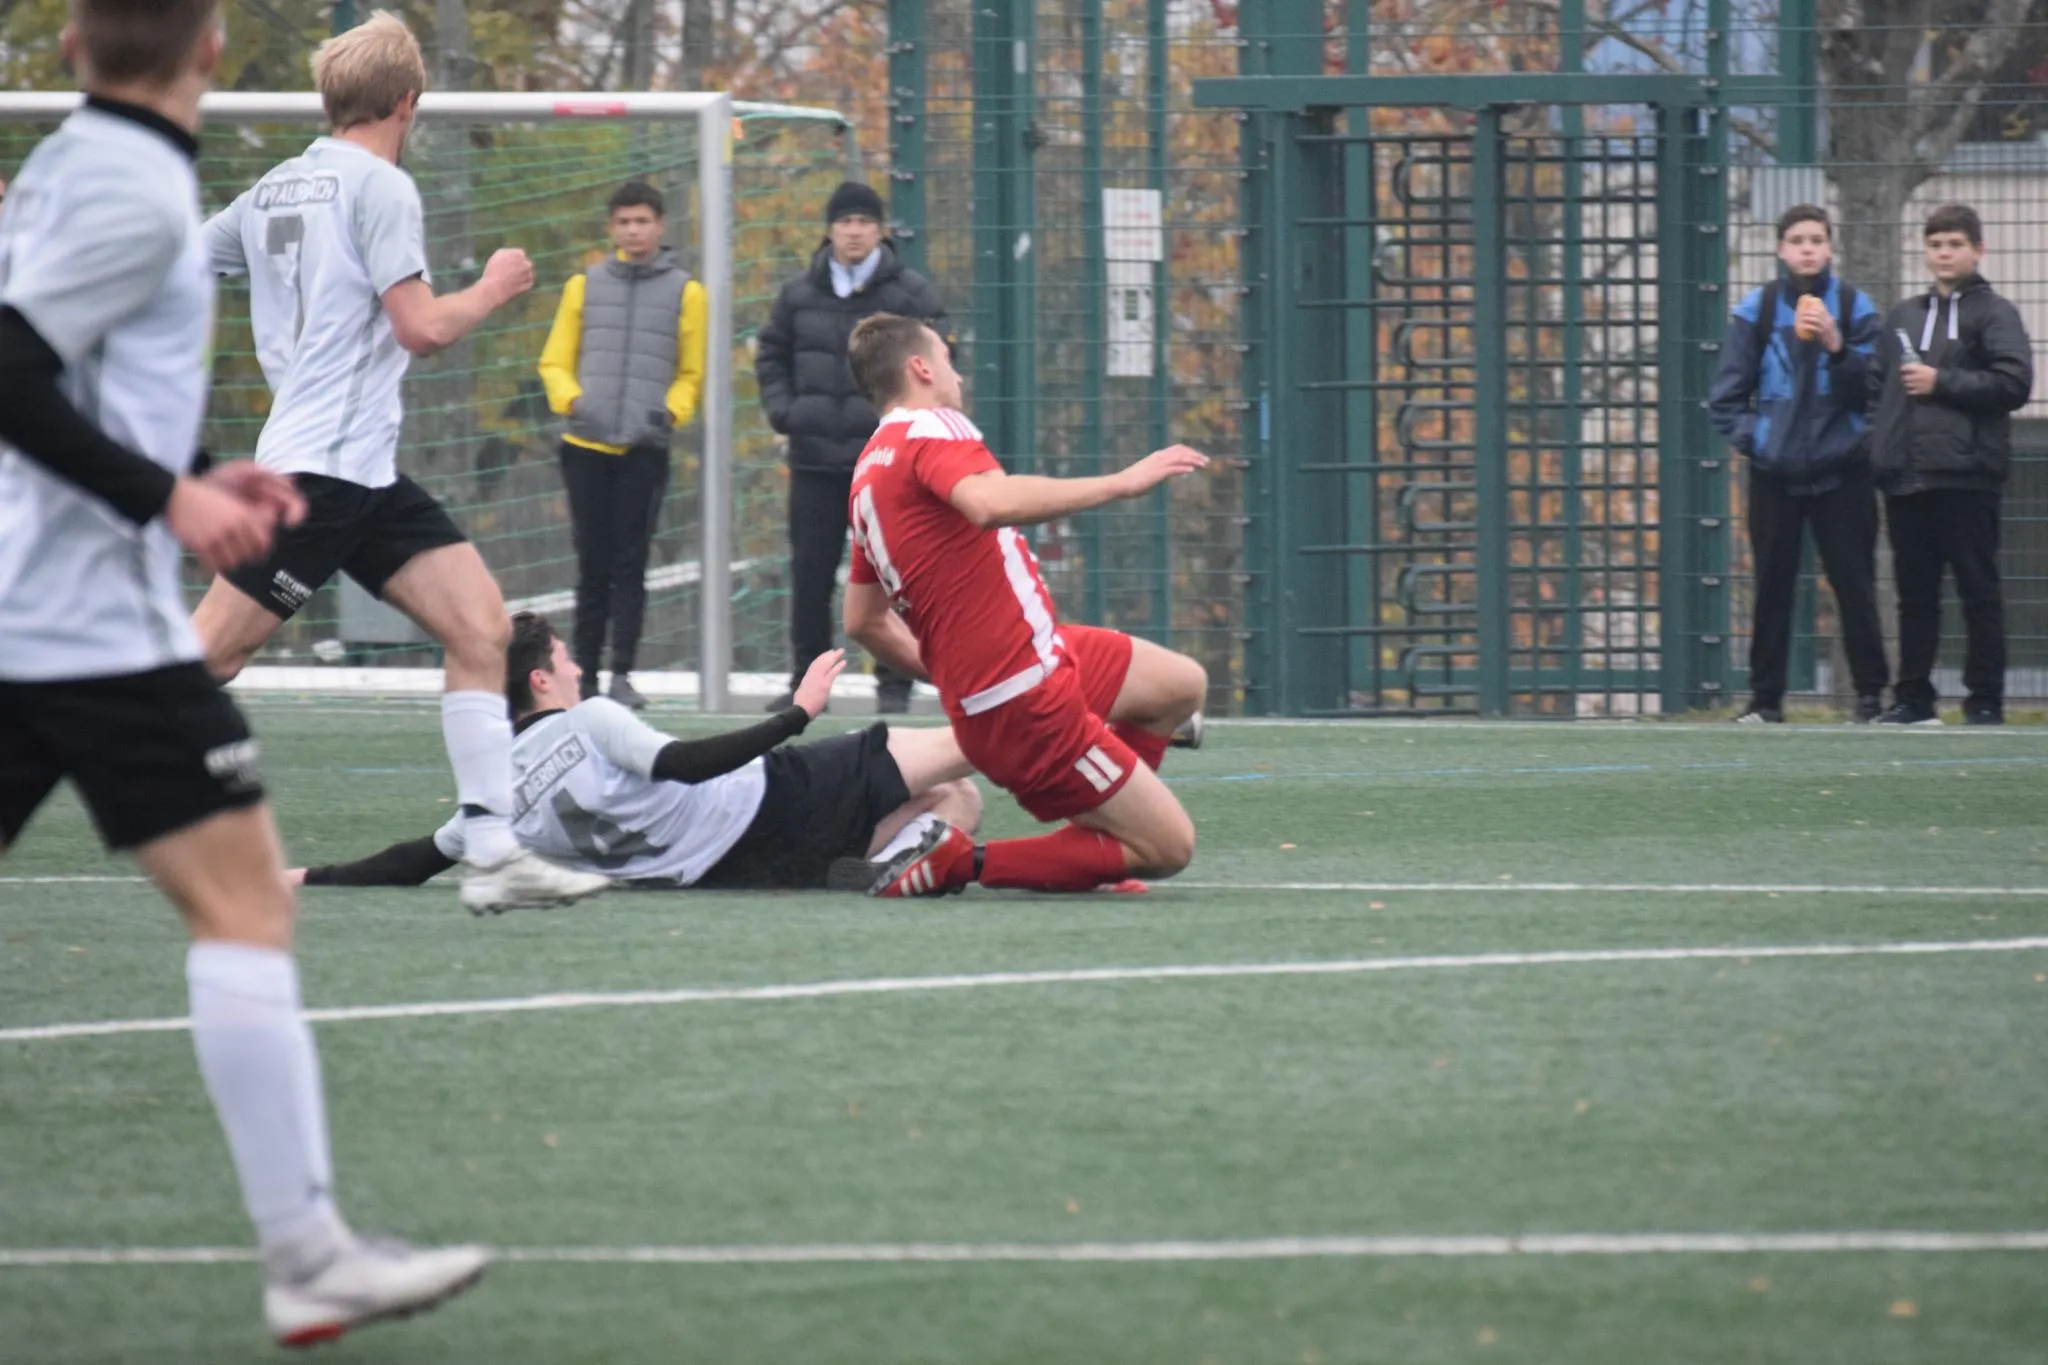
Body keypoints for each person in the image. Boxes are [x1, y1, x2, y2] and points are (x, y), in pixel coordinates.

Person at [0, 0, 486, 1344]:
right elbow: (12, 371)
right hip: (79, 623)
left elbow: (71, 379)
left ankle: (308, 1250)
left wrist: (199, 469)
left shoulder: (78, 173)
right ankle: (307, 1252)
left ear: (70, 50)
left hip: (54, 610)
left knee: (244, 896)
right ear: (213, 50)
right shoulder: (130, 184)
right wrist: (172, 497)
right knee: (245, 902)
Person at [190, 10, 606, 913]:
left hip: (364, 470)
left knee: (482, 628)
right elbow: (421, 328)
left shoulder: (275, 187)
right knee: (204, 660)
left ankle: (493, 852)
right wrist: (493, 287)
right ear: (409, 101)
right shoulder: (381, 187)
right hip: (319, 471)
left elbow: (177, 260)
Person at [837, 313, 1210, 898]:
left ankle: (1094, 849)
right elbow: (988, 502)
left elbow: (862, 620)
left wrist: (956, 674)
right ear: (920, 368)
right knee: (1169, 848)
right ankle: (958, 861)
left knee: (1180, 685)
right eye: (948, 360)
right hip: (1026, 699)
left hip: (1026, 668)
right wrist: (1121, 483)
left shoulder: (867, 473)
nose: (958, 375)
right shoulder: (931, 426)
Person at [293, 614, 983, 892]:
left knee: (958, 801)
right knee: (973, 743)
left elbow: (412, 861)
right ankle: (1057, 734)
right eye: (564, 657)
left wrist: (308, 877)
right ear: (540, 680)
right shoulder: (589, 720)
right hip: (778, 796)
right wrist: (796, 714)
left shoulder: (493, 796)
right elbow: (686, 764)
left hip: (746, 870)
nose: (576, 666)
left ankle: (885, 870)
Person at [755, 180, 947, 714]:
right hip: (815, 461)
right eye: (845, 221)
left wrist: (907, 424)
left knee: (895, 575)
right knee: (810, 575)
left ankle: (895, 686)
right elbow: (770, 355)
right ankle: (807, 684)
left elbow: (939, 359)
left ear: (880, 230)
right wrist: (787, 412)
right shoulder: (798, 295)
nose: (854, 231)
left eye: (864, 221)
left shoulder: (910, 295)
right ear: (830, 229)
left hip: (885, 463)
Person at [1707, 204, 1889, 724]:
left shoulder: (1854, 306)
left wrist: (1837, 345)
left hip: (1843, 471)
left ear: (1830, 247)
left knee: (1854, 585)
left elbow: (1875, 390)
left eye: (1816, 240)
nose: (1807, 249)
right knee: (1772, 587)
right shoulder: (1757, 309)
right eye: (1797, 240)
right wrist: (1760, 442)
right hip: (1775, 473)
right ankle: (1766, 701)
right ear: (1781, 249)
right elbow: (1726, 397)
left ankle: (1871, 698)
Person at [537, 179, 706, 709]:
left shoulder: (687, 293)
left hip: (644, 448)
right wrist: (572, 401)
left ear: (660, 226)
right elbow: (554, 360)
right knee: (592, 565)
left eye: (642, 221)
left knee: (632, 564)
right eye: (624, 222)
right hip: (584, 446)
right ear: (612, 228)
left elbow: (691, 372)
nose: (634, 230)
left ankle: (622, 675)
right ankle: (583, 676)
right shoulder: (583, 286)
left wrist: (671, 411)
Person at [1871, 203, 2035, 726]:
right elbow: (1878, 389)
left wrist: (1941, 381)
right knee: (1915, 597)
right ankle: (1912, 698)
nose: (1944, 253)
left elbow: (2013, 383)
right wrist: (1880, 449)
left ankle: (1984, 698)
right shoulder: (1904, 315)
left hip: (1967, 477)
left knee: (1977, 591)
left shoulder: (1995, 314)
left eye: (1955, 244)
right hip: (1907, 477)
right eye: (1936, 244)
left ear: (1977, 250)